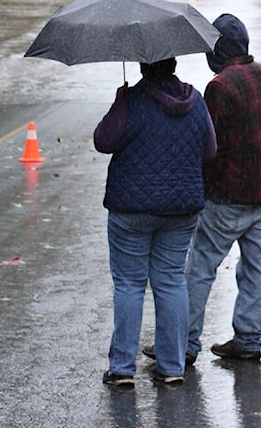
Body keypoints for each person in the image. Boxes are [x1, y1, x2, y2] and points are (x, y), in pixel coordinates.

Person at [145, 14, 261, 365]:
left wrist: (195, 188)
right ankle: (249, 338)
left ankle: (183, 345)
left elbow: (211, 147)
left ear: (216, 50)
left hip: (227, 196)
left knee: (200, 267)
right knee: (255, 266)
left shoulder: (220, 87)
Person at [94, 58, 217, 388]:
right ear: (174, 64)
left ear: (143, 67)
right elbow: (210, 150)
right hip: (182, 209)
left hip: (130, 210)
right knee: (172, 281)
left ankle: (122, 369)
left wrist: (120, 101)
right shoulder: (196, 101)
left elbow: (103, 141)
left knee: (130, 284)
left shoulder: (131, 101)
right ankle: (172, 366)